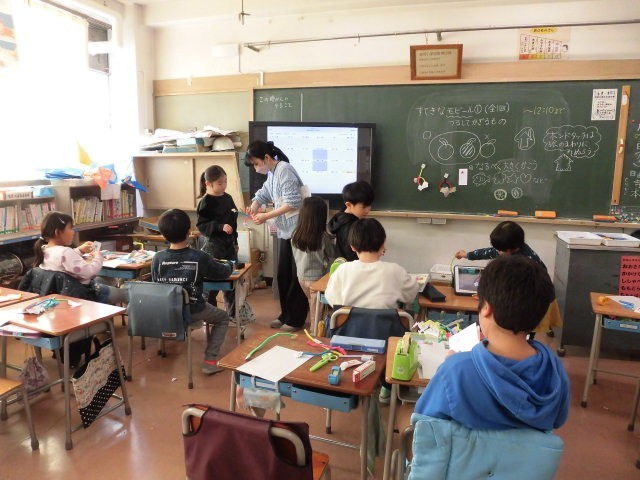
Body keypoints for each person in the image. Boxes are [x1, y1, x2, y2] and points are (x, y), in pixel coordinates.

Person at [414, 255, 570, 431]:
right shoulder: (554, 369)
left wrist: (452, 365)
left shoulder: (455, 371)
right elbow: (558, 420)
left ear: (486, 308)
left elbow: (423, 424)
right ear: (539, 317)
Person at [152, 208, 232, 375]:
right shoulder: (198, 256)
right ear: (189, 231)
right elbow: (221, 273)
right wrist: (230, 265)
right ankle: (210, 361)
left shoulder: (157, 258)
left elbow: (156, 284)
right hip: (194, 309)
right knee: (223, 318)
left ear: (163, 234)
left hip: (166, 309)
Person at [245, 140, 308, 332]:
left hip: (298, 231)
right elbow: (264, 192)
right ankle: (286, 314)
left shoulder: (284, 170)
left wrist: (265, 216)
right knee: (283, 276)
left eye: (256, 164)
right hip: (286, 232)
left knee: (295, 278)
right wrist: (255, 204)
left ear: (266, 158)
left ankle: (295, 319)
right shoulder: (273, 173)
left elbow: (293, 203)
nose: (256, 169)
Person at [324, 217, 418, 310]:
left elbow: (331, 298)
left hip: (351, 320)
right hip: (385, 320)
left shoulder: (342, 270)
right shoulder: (396, 271)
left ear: (352, 247)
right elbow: (411, 294)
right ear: (383, 244)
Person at [33, 211, 125, 304]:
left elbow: (62, 261)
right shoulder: (65, 252)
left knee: (105, 280)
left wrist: (79, 250)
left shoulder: (44, 249)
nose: (73, 232)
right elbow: (90, 272)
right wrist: (98, 257)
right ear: (58, 232)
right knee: (127, 294)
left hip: (63, 295)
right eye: (70, 228)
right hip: (84, 295)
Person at [196, 165, 238, 317]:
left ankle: (232, 315)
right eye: (220, 183)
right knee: (211, 285)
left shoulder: (228, 198)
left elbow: (233, 222)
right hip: (213, 247)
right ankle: (211, 316)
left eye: (225, 181)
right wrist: (220, 227)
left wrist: (235, 241)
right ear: (208, 183)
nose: (224, 185)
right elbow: (201, 225)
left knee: (232, 282)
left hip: (229, 245)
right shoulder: (205, 202)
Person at [291, 196, 335, 328]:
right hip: (317, 279)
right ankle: (315, 333)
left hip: (301, 277)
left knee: (312, 303)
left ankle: (316, 329)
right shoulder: (323, 237)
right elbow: (331, 256)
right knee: (316, 312)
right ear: (321, 217)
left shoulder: (295, 234)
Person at [454, 220, 544, 266]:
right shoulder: (508, 248)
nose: (496, 251)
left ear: (508, 250)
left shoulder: (529, 262)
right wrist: (466, 255)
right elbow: (485, 253)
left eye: (499, 250)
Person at [328, 180, 374, 262]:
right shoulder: (351, 226)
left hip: (341, 265)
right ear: (348, 205)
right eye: (364, 207)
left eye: (369, 205)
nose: (368, 210)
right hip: (350, 266)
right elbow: (352, 255)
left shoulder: (340, 217)